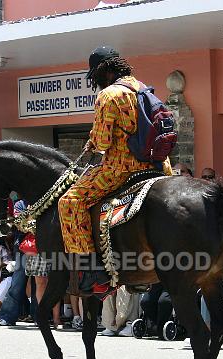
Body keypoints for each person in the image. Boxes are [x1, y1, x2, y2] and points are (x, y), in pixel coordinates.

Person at [58, 45, 171, 294]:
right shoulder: (143, 88)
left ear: (105, 71)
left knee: (70, 202)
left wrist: (91, 142)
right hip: (158, 165)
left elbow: (101, 143)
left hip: (122, 168)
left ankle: (91, 270)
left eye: (95, 75)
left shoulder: (109, 95)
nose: (95, 80)